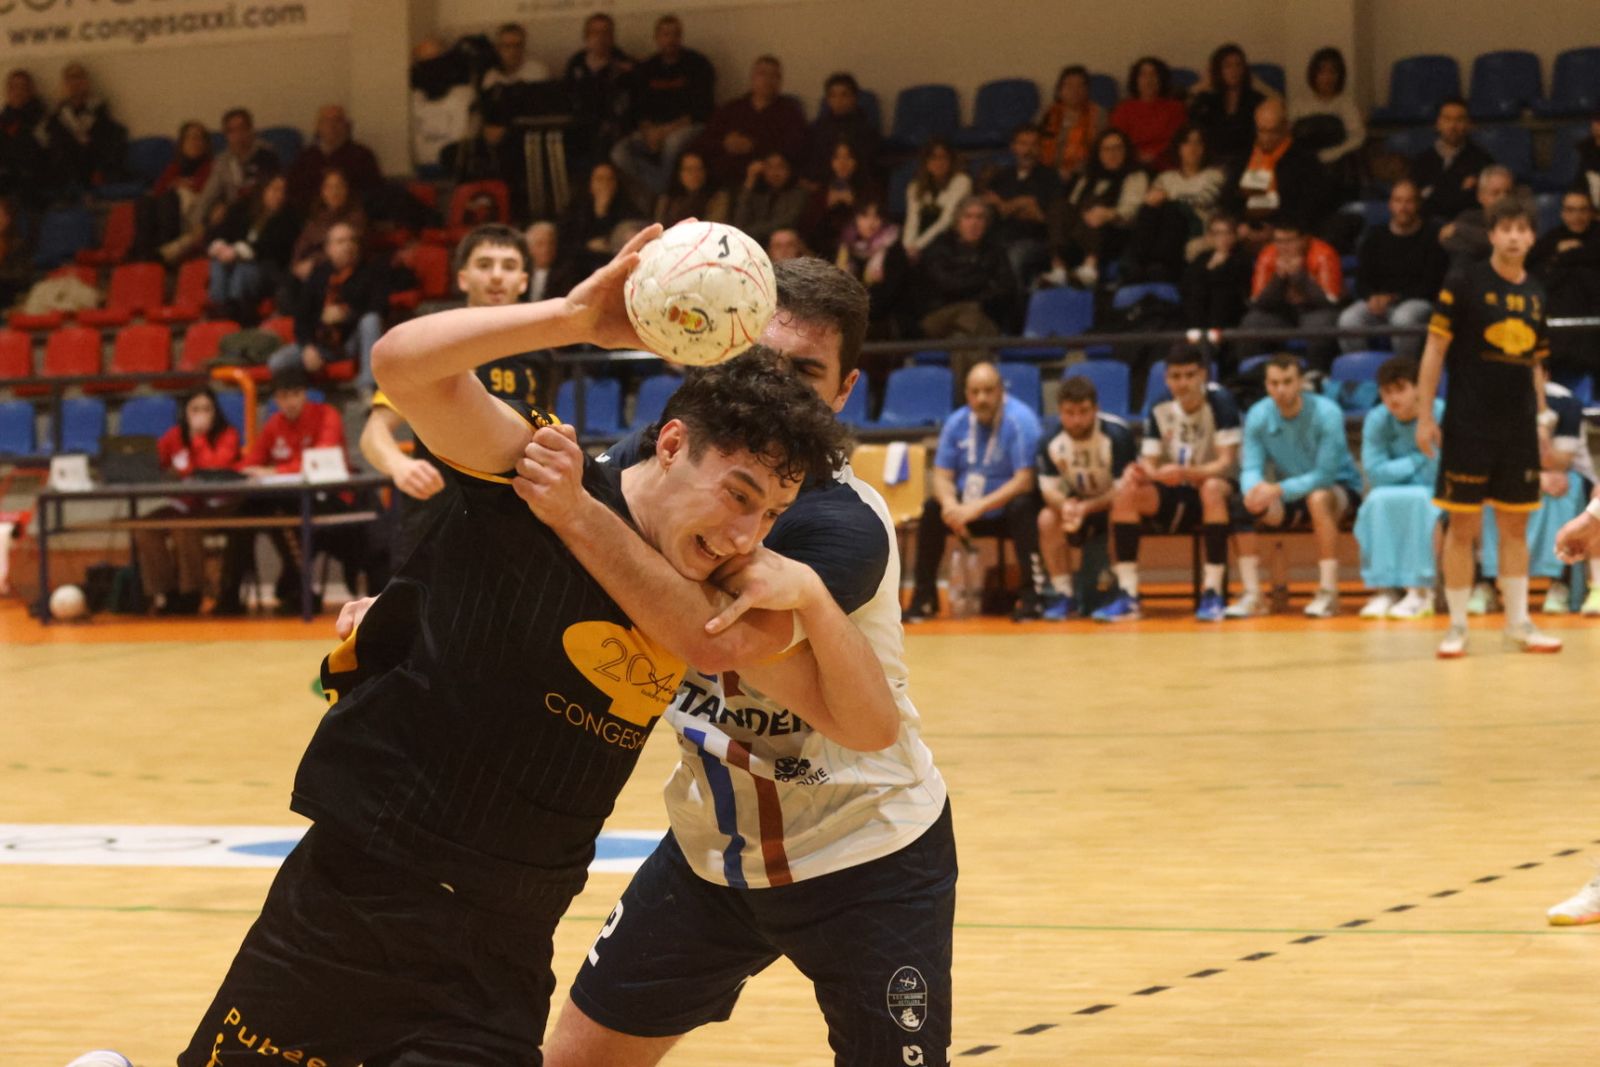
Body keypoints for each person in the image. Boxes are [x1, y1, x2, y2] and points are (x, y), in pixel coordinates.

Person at [171, 227, 873, 1064]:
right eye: (739, 496)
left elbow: (853, 716)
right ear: (676, 443)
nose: (745, 533)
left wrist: (814, 603)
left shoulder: (717, 586)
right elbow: (400, 366)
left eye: (769, 513)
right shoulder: (536, 468)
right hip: (358, 891)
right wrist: (574, 315)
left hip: (501, 949)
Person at [549, 256, 955, 1067]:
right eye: (763, 362)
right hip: (712, 848)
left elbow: (715, 641)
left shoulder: (842, 525)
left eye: (806, 373)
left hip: (863, 849)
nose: (782, 390)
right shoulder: (675, 451)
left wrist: (578, 515)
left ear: (844, 392)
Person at [1416, 193, 1563, 657]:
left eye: (1524, 229)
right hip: (1467, 423)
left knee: (1515, 527)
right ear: (1493, 234)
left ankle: (1518, 622)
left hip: (1518, 427)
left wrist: (1541, 420)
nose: (1515, 236)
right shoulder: (1463, 281)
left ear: (1532, 237)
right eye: (1507, 228)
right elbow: (1434, 350)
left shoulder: (1536, 291)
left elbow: (1537, 366)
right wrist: (1425, 416)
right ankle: (1457, 626)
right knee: (1462, 527)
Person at [361, 224, 539, 567]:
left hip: (512, 526)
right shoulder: (434, 346)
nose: (497, 276)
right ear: (462, 278)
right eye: (485, 265)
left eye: (509, 266)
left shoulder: (539, 355)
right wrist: (399, 466)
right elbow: (374, 433)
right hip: (436, 524)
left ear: (524, 282)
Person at [1097, 344, 1241, 622]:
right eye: (1176, 376)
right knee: (1126, 492)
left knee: (1211, 487)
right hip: (1176, 488)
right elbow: (1150, 461)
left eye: (1190, 375)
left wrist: (1187, 472)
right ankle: (1128, 595)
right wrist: (1145, 474)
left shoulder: (1221, 401)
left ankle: (1213, 592)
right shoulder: (1160, 405)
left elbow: (1226, 462)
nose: (1183, 383)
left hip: (1217, 487)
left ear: (1203, 375)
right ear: (1166, 378)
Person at [213, 364, 365, 617]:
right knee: (244, 513)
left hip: (331, 498)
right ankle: (230, 594)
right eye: (283, 396)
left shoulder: (327, 415)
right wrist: (227, 472)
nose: (290, 401)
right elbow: (252, 462)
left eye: (295, 394)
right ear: (276, 399)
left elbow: (319, 459)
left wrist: (275, 472)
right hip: (288, 500)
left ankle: (301, 589)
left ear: (304, 394)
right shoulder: (274, 424)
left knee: (277, 510)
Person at [904, 361, 1043, 622]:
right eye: (975, 392)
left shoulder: (1021, 421)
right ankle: (924, 599)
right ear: (967, 394)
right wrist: (950, 506)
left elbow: (1025, 480)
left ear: (1001, 391)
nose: (982, 399)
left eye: (989, 391)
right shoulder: (956, 422)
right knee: (932, 510)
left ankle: (1032, 597)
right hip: (965, 511)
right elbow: (942, 476)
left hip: (1004, 511)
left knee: (1024, 505)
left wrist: (978, 507)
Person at [1229, 355, 1362, 618]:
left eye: (1287, 382)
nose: (1280, 389)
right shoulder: (1258, 414)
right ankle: (1253, 594)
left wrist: (1277, 490)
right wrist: (1252, 491)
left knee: (1318, 498)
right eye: (1274, 383)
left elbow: (1324, 475)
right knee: (1240, 503)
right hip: (1290, 493)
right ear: (1266, 385)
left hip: (1340, 488)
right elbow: (1251, 468)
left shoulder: (1327, 412)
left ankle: (1328, 592)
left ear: (1300, 382)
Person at [1478, 362, 1600, 615]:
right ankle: (1487, 582)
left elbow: (1558, 462)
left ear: (1545, 374)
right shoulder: (1493, 404)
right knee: (1488, 492)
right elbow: (1489, 459)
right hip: (1522, 475)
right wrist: (1535, 477)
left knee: (1563, 487)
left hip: (1570, 477)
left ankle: (1561, 585)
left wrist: (1542, 424)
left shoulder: (1565, 402)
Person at [131, 387, 242, 616]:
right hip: (185, 504)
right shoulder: (174, 436)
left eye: (207, 409)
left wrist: (199, 438)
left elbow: (215, 466)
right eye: (195, 409)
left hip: (219, 505)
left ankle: (191, 594)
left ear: (215, 412)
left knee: (184, 527)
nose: (201, 414)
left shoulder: (227, 434)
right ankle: (165, 593)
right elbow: (154, 463)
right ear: (186, 413)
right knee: (145, 528)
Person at [1035, 374, 1137, 619]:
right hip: (1077, 507)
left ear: (1096, 409)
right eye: (1069, 413)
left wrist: (1086, 507)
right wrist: (1066, 506)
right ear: (1059, 411)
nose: (1077, 420)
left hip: (1109, 503)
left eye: (1083, 411)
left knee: (1122, 507)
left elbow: (1123, 490)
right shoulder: (1050, 441)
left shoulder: (1117, 435)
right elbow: (1049, 490)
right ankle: (1064, 595)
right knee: (1047, 518)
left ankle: (1126, 594)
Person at [1354, 356, 1444, 619]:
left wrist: (1399, 471)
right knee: (1375, 500)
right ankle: (1386, 590)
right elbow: (1374, 472)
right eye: (1386, 392)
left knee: (1419, 500)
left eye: (1400, 389)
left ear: (1419, 388)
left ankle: (1421, 590)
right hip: (1394, 492)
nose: (1393, 399)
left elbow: (1437, 471)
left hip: (1434, 493)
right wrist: (1417, 459)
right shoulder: (1376, 419)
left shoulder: (1439, 413)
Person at [266, 221, 386, 392]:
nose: (348, 246)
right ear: (329, 248)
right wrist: (308, 347)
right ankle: (307, 396)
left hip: (352, 342)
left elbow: (380, 307)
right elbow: (302, 318)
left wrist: (348, 313)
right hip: (321, 344)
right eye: (341, 241)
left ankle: (368, 386)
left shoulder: (370, 271)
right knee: (277, 362)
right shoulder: (319, 273)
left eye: (351, 241)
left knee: (371, 320)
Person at [1337, 179, 1448, 359]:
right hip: (1380, 304)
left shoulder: (1432, 236)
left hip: (1418, 302)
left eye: (1409, 201)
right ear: (1390, 204)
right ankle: (1362, 376)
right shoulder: (1374, 236)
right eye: (1397, 201)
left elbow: (1432, 284)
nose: (1402, 207)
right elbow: (1362, 280)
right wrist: (1371, 297)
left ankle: (1404, 371)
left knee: (1403, 319)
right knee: (1349, 319)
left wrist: (1393, 298)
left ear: (1418, 204)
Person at [912, 197, 1020, 381]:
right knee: (971, 311)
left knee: (962, 342)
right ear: (957, 221)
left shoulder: (995, 251)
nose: (974, 223)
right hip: (938, 318)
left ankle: (965, 403)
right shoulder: (941, 247)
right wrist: (983, 280)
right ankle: (987, 395)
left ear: (986, 223)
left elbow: (1007, 289)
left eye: (980, 218)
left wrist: (969, 284)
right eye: (968, 217)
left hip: (979, 320)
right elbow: (946, 285)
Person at [612, 14, 716, 202]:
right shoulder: (647, 68)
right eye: (665, 34)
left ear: (681, 37)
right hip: (653, 129)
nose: (670, 39)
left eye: (675, 34)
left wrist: (666, 131)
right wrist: (649, 132)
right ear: (657, 38)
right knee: (620, 152)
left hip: (688, 127)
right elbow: (638, 108)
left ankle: (663, 194)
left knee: (673, 143)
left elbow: (701, 109)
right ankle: (662, 187)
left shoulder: (697, 64)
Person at [1123, 124, 1226, 283]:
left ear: (1205, 148)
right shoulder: (1166, 177)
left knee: (1171, 209)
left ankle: (1159, 263)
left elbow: (1204, 200)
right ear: (1179, 147)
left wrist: (1168, 197)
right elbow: (1151, 200)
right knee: (1148, 210)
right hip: (1165, 231)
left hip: (1196, 226)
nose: (1192, 148)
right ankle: (1139, 263)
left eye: (1198, 143)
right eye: (1187, 143)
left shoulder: (1214, 175)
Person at [1239, 215, 1343, 371]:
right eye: (1279, 241)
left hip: (1314, 310)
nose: (1283, 247)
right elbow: (1259, 303)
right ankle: (1252, 376)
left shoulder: (1323, 254)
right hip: (1281, 312)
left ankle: (1316, 375)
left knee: (1321, 325)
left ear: (1304, 239)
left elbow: (1329, 302)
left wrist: (1299, 276)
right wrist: (1278, 278)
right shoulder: (1268, 254)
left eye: (1289, 241)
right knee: (1251, 323)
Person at [1047, 127, 1148, 288]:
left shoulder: (1135, 175)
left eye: (1117, 148)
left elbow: (1132, 210)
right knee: (1059, 205)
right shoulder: (1088, 176)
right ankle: (1058, 268)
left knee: (1095, 203)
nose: (1112, 154)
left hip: (1114, 233)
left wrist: (1109, 214)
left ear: (1126, 151)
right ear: (1099, 153)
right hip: (1080, 232)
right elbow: (1072, 207)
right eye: (1106, 149)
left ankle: (1090, 267)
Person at [1224, 97, 1335, 238]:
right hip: (1245, 231)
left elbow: (1311, 207)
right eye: (1261, 131)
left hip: (1286, 235)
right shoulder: (1244, 158)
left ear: (1286, 127)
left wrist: (1275, 230)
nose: (1266, 138)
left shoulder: (1305, 160)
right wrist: (1241, 224)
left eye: (1273, 131)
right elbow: (1228, 199)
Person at [694, 54, 807, 188]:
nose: (768, 80)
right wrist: (725, 143)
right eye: (762, 74)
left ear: (780, 81)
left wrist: (753, 145)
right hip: (723, 176)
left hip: (763, 176)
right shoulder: (731, 108)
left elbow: (797, 147)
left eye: (774, 76)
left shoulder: (790, 112)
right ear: (752, 78)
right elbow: (704, 140)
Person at [206, 173, 301, 326]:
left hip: (270, 270)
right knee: (218, 263)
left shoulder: (289, 218)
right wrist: (221, 247)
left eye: (282, 191)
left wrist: (237, 252)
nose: (279, 195)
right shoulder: (244, 209)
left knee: (243, 270)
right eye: (274, 189)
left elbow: (274, 250)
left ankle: (238, 314)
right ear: (263, 190)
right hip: (238, 262)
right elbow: (222, 231)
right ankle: (220, 308)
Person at [1529, 188, 1600, 382]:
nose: (1576, 216)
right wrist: (1559, 253)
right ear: (1562, 213)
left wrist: (1561, 257)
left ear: (1592, 213)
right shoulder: (1551, 240)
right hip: (1558, 329)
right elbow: (1534, 270)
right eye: (1570, 210)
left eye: (1582, 210)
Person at [981, 123, 1061, 286]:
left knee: (1013, 257)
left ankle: (1014, 309)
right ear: (1014, 147)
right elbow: (995, 210)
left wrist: (1004, 205)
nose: (1028, 150)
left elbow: (1043, 217)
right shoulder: (1002, 176)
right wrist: (1021, 203)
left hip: (1035, 240)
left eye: (1034, 144)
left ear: (1040, 148)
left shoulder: (1050, 177)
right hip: (1000, 237)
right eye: (1023, 144)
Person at [190, 107, 280, 239]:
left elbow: (263, 191)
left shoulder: (266, 154)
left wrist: (227, 207)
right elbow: (209, 194)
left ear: (251, 130)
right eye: (232, 131)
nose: (238, 135)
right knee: (210, 220)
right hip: (231, 214)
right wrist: (197, 222)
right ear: (226, 136)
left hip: (258, 209)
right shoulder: (223, 161)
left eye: (242, 128)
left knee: (229, 217)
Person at [563, 11, 635, 166]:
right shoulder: (576, 63)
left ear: (612, 36)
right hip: (580, 124)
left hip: (613, 126)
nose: (600, 38)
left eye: (606, 33)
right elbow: (566, 96)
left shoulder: (624, 63)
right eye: (595, 32)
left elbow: (629, 102)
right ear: (586, 36)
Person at [45, 61, 126, 191]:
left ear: (86, 82)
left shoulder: (98, 110)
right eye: (71, 78)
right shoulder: (57, 115)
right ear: (65, 84)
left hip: (94, 167)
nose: (75, 83)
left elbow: (105, 142)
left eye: (79, 77)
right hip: (67, 172)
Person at [1411, 99, 1494, 224]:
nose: (1453, 125)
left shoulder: (1482, 159)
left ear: (1468, 124)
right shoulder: (1422, 160)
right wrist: (1460, 191)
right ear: (1438, 123)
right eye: (1447, 119)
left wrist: (1434, 193)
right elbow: (1416, 200)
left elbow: (1479, 203)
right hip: (1426, 226)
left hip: (1466, 227)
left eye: (1459, 120)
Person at [1188, 43, 1269, 167]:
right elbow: (1187, 120)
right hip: (1212, 163)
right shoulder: (1207, 100)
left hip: (1249, 161)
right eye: (1227, 66)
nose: (1234, 71)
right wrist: (1199, 86)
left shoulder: (1256, 99)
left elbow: (1278, 109)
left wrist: (1257, 82)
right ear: (1218, 70)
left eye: (1238, 65)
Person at [286, 105, 382, 207]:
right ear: (318, 126)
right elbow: (293, 191)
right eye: (326, 121)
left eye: (337, 120)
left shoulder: (363, 156)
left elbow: (373, 192)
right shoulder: (304, 157)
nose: (332, 125)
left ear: (347, 125)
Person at [561, 160, 644, 273]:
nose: (605, 184)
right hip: (580, 269)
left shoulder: (628, 208)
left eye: (610, 179)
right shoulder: (575, 209)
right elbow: (567, 245)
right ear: (590, 184)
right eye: (600, 179)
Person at [1287, 47, 1365, 168]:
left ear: (1340, 75)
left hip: (1335, 163)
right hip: (1302, 162)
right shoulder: (1299, 103)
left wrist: (1331, 154)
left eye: (1332, 72)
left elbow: (1357, 137)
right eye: (1322, 72)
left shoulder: (1346, 104)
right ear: (1314, 74)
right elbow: (1286, 133)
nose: (1327, 77)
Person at [288, 168, 367, 285]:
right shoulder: (316, 217)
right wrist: (296, 265)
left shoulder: (356, 217)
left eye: (338, 186)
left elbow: (346, 252)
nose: (334, 192)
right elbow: (301, 246)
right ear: (322, 191)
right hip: (308, 268)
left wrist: (314, 262)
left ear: (346, 189)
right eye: (329, 187)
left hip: (339, 269)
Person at [1181, 211, 1253, 336]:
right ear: (1209, 236)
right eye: (1217, 233)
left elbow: (1235, 287)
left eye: (1227, 233)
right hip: (1199, 319)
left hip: (1230, 317)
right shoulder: (1202, 259)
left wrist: (1217, 268)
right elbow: (1188, 286)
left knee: (1220, 293)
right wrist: (1210, 267)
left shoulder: (1242, 258)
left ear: (1235, 236)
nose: (1223, 238)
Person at [901, 137, 971, 261]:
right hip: (921, 234)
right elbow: (912, 219)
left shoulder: (961, 181)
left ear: (951, 160)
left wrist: (918, 246)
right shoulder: (915, 186)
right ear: (926, 161)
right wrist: (908, 246)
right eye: (933, 157)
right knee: (896, 255)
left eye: (943, 157)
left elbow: (947, 220)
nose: (938, 162)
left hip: (947, 235)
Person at [1111, 56, 1187, 169]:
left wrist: (1154, 155)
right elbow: (1117, 140)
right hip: (1131, 164)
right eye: (1143, 75)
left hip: (1166, 165)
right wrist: (1136, 156)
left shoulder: (1175, 108)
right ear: (1136, 80)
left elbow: (1179, 140)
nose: (1148, 79)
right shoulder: (1124, 109)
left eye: (1154, 74)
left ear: (1161, 79)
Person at [806, 140, 877, 255]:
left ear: (856, 161)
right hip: (824, 250)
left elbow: (876, 225)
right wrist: (826, 204)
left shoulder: (869, 189)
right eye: (837, 158)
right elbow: (807, 229)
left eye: (848, 157)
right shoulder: (822, 190)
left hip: (861, 250)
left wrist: (854, 204)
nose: (842, 163)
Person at [807, 71, 879, 183]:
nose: (838, 100)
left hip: (857, 186)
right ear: (827, 100)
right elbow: (812, 162)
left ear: (854, 98)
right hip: (822, 185)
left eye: (844, 95)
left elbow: (868, 168)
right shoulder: (817, 128)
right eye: (833, 95)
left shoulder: (866, 130)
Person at [1439, 163, 1514, 270]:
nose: (1503, 199)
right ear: (1480, 196)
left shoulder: (1520, 222)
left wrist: (1459, 229)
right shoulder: (1468, 217)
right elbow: (1447, 242)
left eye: (1508, 193)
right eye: (1495, 193)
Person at [1038, 65, 1106, 178]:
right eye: (1069, 85)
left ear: (1087, 90)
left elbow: (1100, 152)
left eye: (1080, 85)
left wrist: (1074, 171)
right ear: (1059, 90)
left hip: (1083, 174)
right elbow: (1036, 144)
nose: (1075, 90)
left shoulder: (1098, 115)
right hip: (1046, 174)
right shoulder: (1048, 113)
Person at [732, 149, 807, 246]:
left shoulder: (798, 193)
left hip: (785, 245)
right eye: (769, 167)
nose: (775, 172)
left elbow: (786, 222)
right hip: (755, 244)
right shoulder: (759, 194)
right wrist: (750, 181)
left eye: (780, 167)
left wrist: (747, 232)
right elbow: (740, 220)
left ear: (789, 170)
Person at [0, 69, 49, 207]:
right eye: (13, 87)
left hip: (33, 179)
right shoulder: (3, 120)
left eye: (22, 87)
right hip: (7, 177)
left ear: (30, 91)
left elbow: (44, 152)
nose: (18, 91)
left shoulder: (40, 119)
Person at [654, 148, 729, 227]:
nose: (694, 174)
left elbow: (714, 229)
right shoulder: (666, 201)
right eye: (688, 169)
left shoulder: (717, 199)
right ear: (679, 173)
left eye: (699, 169)